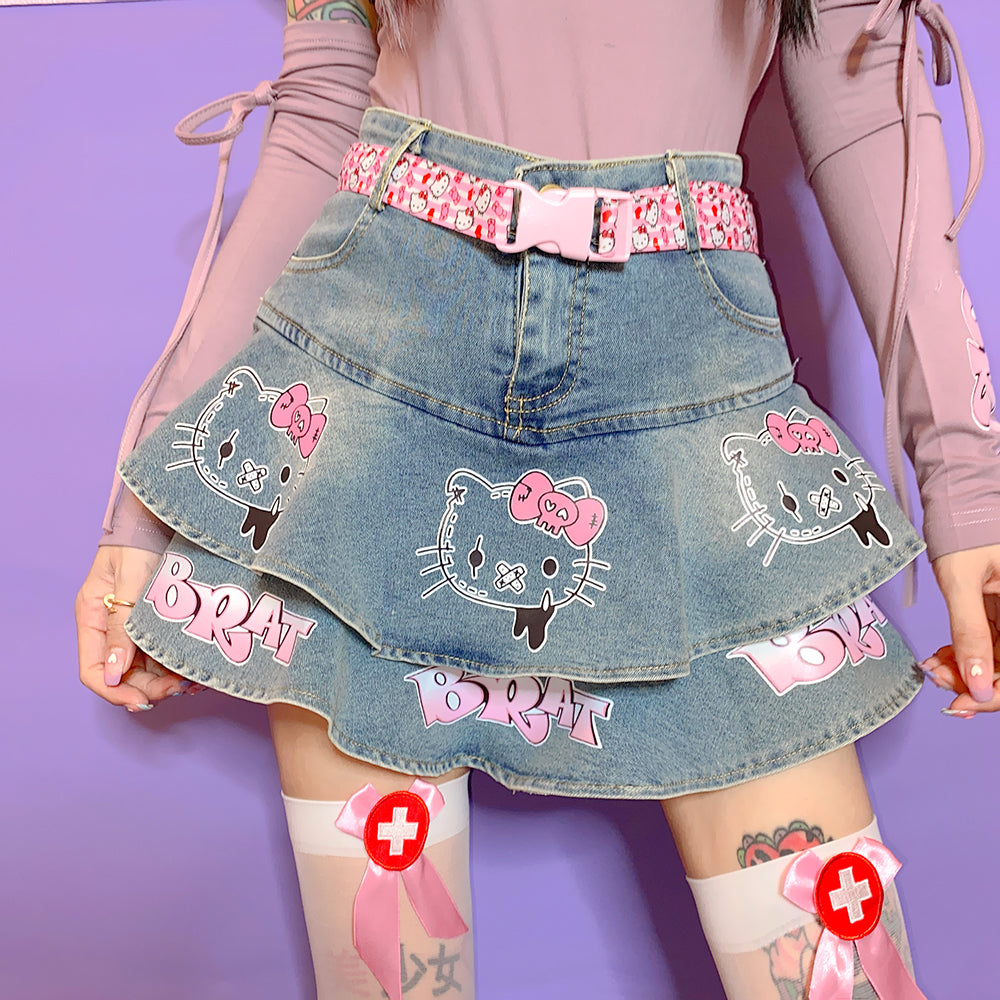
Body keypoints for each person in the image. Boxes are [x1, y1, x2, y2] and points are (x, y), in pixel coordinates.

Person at [75, 1, 1000, 997]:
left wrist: (971, 487)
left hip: (687, 381)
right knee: (392, 971)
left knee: (840, 963)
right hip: (378, 361)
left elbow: (867, 107)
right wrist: (146, 501)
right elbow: (320, 113)